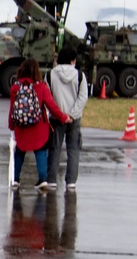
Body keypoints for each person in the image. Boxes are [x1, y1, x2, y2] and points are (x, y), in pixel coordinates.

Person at [8, 58, 72, 192]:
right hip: (38, 127)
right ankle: (42, 179)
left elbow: (12, 109)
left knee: (19, 152)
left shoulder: (15, 87)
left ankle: (16, 179)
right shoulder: (42, 87)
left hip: (21, 127)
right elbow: (52, 106)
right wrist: (63, 117)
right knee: (41, 150)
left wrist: (12, 125)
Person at [47, 46, 88, 190]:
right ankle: (71, 181)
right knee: (73, 149)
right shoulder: (80, 76)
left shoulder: (50, 75)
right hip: (74, 119)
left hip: (56, 118)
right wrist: (72, 115)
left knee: (54, 148)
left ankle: (51, 179)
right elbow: (83, 98)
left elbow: (48, 99)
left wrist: (60, 115)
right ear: (72, 60)